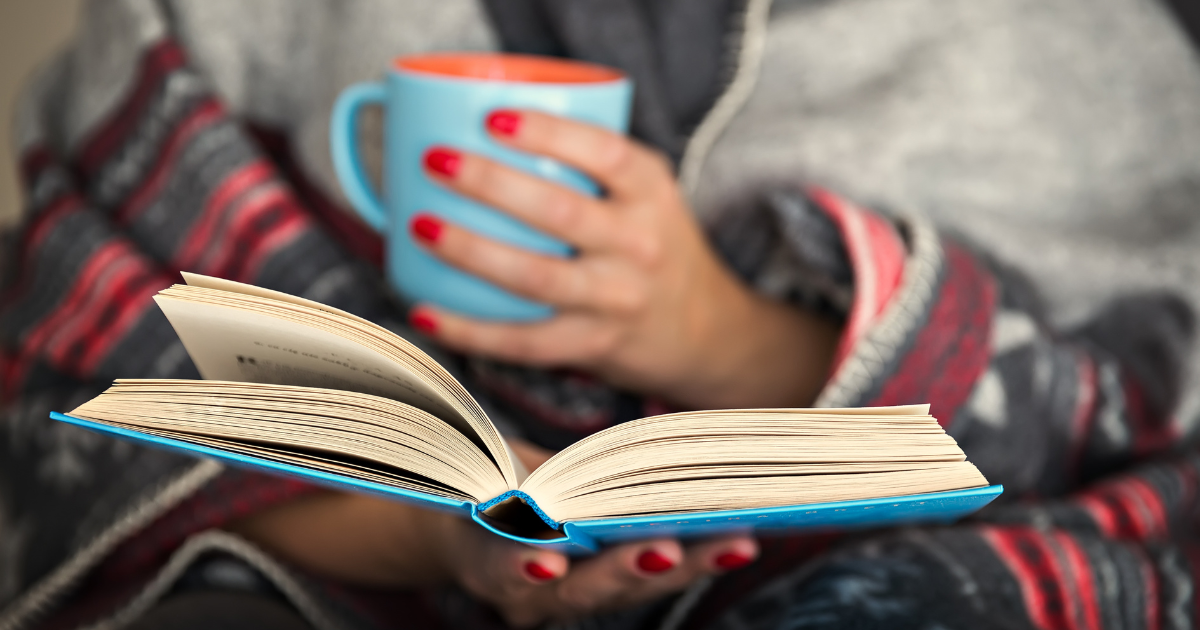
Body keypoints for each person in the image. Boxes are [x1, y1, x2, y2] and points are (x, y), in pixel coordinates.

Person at [2, 1, 1199, 629]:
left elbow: (1152, 408)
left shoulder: (1080, 45)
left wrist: (715, 331)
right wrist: (442, 533)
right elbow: (78, 383)